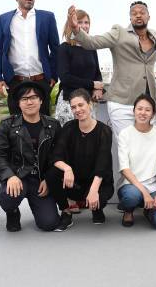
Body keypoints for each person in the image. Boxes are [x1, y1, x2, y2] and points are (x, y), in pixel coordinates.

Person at [67, 1, 156, 143]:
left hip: (148, 101)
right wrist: (76, 29)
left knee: (149, 146)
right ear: (130, 18)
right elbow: (92, 42)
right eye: (134, 13)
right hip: (122, 103)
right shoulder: (119, 32)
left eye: (142, 12)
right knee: (127, 147)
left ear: (148, 16)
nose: (138, 15)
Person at [0, 81, 62, 231]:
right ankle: (12, 212)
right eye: (24, 99)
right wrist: (9, 175)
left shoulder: (53, 125)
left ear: (41, 100)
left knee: (49, 223)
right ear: (18, 103)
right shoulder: (7, 125)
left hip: (40, 180)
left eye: (33, 97)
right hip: (18, 176)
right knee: (9, 198)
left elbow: (58, 156)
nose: (29, 102)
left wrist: (49, 179)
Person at [45, 89, 114, 231]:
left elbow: (102, 164)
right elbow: (55, 156)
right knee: (52, 173)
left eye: (81, 105)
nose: (77, 110)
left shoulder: (104, 131)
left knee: (98, 197)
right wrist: (67, 168)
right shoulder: (69, 127)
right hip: (75, 182)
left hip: (98, 183)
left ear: (90, 104)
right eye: (73, 107)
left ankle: (96, 208)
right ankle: (66, 211)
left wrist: (94, 191)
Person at [0, 0, 59, 116]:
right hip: (14, 82)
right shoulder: (4, 19)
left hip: (41, 81)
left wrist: (53, 76)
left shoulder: (47, 17)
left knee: (44, 125)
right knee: (15, 126)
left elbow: (56, 49)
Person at [117, 94, 156, 229]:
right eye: (139, 109)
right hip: (131, 186)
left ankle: (148, 210)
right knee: (132, 197)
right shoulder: (125, 134)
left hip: (154, 187)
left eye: (147, 110)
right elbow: (124, 168)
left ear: (153, 114)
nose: (143, 113)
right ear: (133, 111)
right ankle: (128, 210)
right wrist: (144, 192)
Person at [55, 8, 103, 126]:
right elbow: (65, 77)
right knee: (68, 140)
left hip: (88, 103)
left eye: (86, 22)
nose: (84, 25)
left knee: (89, 139)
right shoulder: (64, 48)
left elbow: (97, 73)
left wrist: (98, 88)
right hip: (69, 102)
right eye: (80, 22)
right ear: (71, 24)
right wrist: (92, 84)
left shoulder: (91, 48)